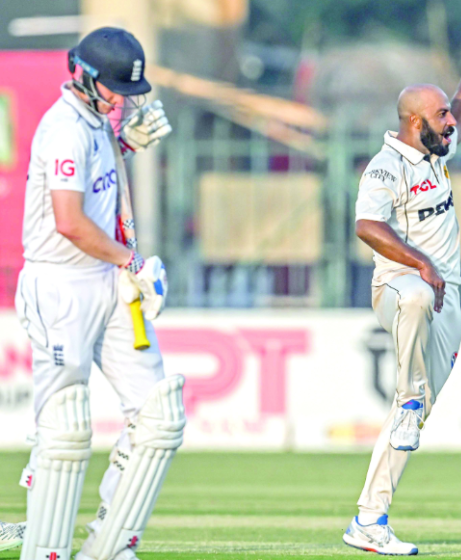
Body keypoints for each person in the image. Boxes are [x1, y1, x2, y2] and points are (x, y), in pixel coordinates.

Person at [15, 27, 183, 560]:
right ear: (84, 77)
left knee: (159, 417)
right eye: (114, 88)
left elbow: (100, 193)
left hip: (109, 281)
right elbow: (69, 221)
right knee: (64, 428)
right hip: (62, 285)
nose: (124, 99)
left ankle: (109, 546)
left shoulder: (98, 124)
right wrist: (132, 261)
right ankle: (43, 548)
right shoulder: (64, 127)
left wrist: (124, 145)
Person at [343, 19, 461, 556]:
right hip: (399, 290)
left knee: (410, 423)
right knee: (412, 298)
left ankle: (369, 519)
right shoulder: (385, 167)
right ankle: (407, 396)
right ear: (413, 123)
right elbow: (366, 226)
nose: (451, 121)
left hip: (445, 298)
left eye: (447, 114)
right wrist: (422, 264)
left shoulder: (436, 150)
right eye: (440, 116)